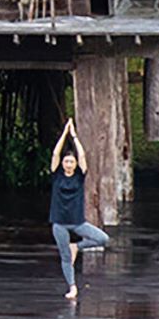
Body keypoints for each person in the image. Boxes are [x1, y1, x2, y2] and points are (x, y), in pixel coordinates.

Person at [48, 119, 109, 300]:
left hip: (77, 222)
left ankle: (77, 246)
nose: (68, 164)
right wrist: (64, 135)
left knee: (102, 239)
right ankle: (72, 287)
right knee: (66, 257)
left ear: (75, 164)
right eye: (66, 161)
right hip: (59, 223)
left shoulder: (80, 177)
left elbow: (82, 156)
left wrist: (74, 136)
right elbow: (55, 154)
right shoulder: (57, 176)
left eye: (71, 162)